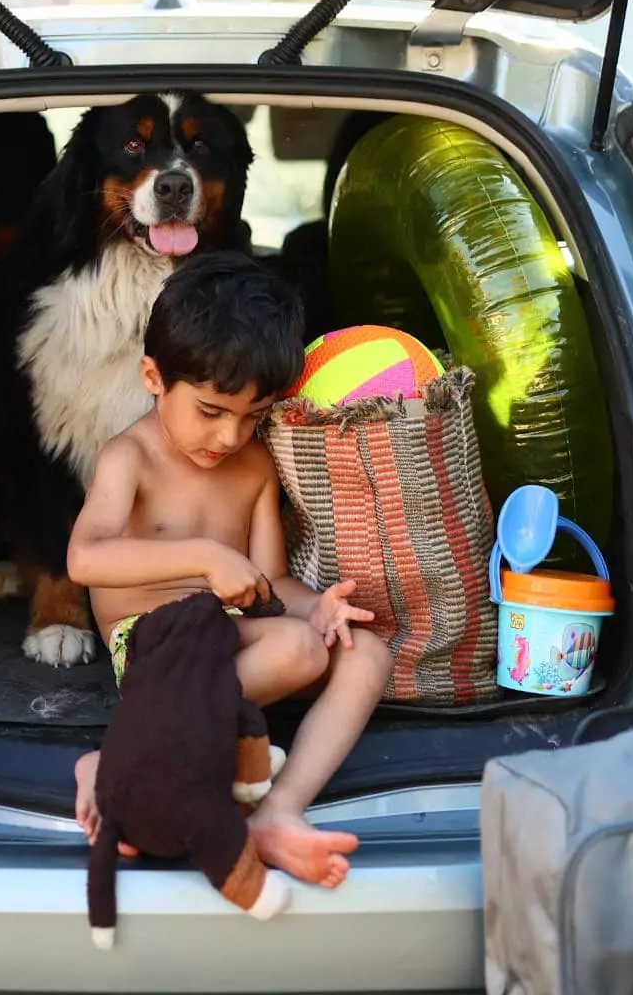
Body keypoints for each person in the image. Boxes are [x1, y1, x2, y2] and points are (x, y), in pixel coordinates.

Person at [66, 252, 392, 890]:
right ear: (154, 377)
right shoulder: (129, 456)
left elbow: (273, 584)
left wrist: (318, 608)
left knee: (366, 652)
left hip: (239, 634)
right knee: (298, 651)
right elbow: (86, 556)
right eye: (212, 411)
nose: (229, 437)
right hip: (157, 644)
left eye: (254, 416)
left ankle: (280, 810)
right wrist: (207, 557)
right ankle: (117, 757)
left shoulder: (253, 467)